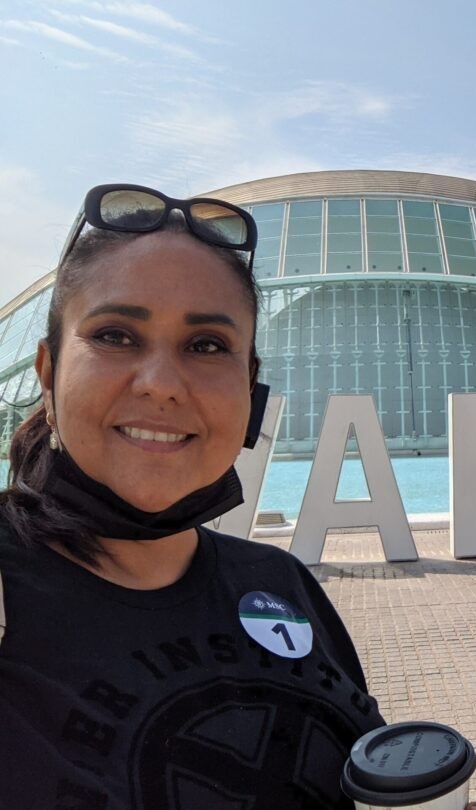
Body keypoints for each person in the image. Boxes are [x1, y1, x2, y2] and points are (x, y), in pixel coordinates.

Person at [0, 185, 387, 808]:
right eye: (116, 336)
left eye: (207, 346)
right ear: (48, 374)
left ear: (249, 392)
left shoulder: (281, 582)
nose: (161, 385)